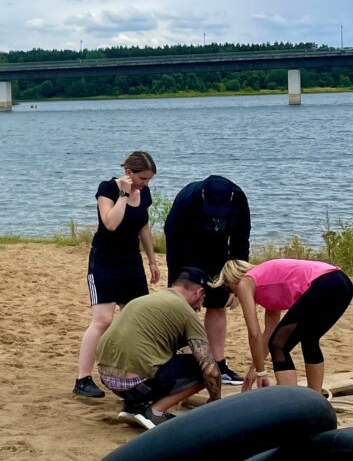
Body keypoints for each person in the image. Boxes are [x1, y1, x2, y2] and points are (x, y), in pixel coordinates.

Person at [74, 151, 159, 401]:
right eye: (143, 178)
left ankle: (139, 375)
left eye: (150, 179)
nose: (146, 184)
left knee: (137, 317)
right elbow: (110, 223)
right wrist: (123, 194)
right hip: (105, 260)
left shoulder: (145, 193)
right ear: (129, 173)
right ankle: (82, 379)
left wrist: (152, 260)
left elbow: (143, 225)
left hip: (131, 262)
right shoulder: (108, 188)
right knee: (103, 320)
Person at [94, 265, 222, 430]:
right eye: (203, 300)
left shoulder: (147, 299)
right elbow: (209, 369)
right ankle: (156, 412)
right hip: (136, 383)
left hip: (107, 378)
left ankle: (133, 408)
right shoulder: (186, 312)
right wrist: (215, 400)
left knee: (159, 356)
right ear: (199, 292)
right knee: (205, 369)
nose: (200, 307)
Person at [216, 257, 353, 396]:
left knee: (278, 345)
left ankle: (292, 402)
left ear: (233, 278)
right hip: (342, 283)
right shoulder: (266, 284)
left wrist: (261, 373)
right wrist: (254, 369)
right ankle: (315, 399)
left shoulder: (245, 282)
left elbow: (254, 334)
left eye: (228, 287)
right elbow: (268, 334)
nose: (233, 293)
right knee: (309, 339)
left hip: (325, 283)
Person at [163, 174, 251, 383]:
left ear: (230, 198)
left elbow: (240, 241)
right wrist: (186, 279)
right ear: (203, 195)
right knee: (184, 306)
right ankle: (187, 362)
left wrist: (237, 284)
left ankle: (219, 365)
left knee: (218, 304)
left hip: (218, 253)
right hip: (185, 252)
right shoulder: (187, 200)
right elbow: (174, 237)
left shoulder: (238, 199)